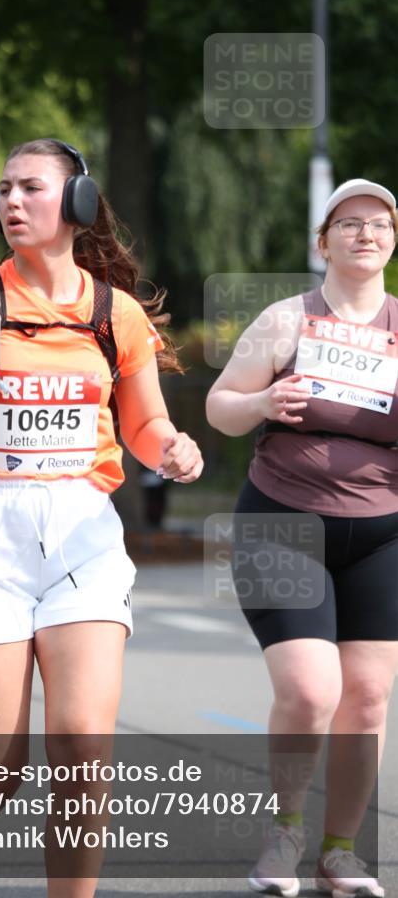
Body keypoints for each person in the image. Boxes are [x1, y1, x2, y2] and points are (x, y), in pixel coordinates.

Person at [0, 137, 203, 898]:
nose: (10, 202)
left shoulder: (113, 314)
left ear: (78, 203)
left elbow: (145, 426)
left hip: (83, 534)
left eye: (30, 187)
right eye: (2, 190)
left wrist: (175, 450)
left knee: (82, 750)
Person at [206, 178, 398, 898]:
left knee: (368, 699)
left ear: (392, 240)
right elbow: (220, 408)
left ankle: (340, 853)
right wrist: (260, 400)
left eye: (378, 224)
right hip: (283, 524)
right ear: (322, 242)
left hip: (382, 535)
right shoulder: (286, 320)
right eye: (347, 224)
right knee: (311, 690)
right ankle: (285, 833)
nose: (364, 234)